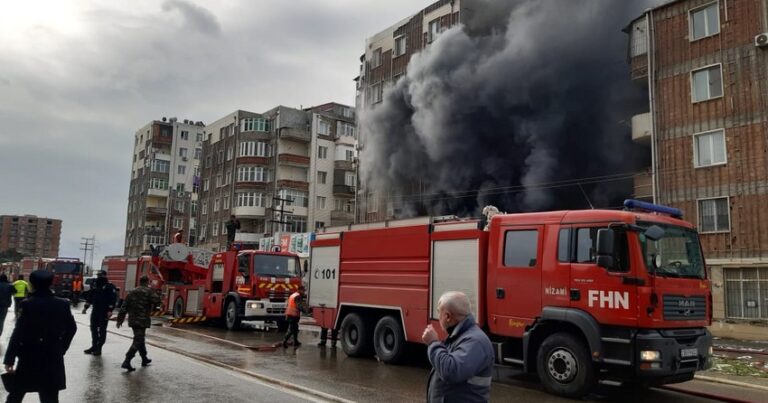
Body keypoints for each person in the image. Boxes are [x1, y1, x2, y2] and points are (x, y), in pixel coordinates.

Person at [3, 270, 77, 403]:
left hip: (29, 356)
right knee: (50, 396)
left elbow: (18, 333)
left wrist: (10, 359)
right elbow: (72, 329)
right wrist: (61, 348)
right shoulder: (63, 304)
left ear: (32, 284)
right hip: (52, 356)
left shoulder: (27, 304)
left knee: (16, 394)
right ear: (50, 283)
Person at [422, 291, 494, 403]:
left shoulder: (476, 341)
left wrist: (433, 343)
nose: (438, 315)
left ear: (447, 317)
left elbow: (451, 371)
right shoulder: (458, 336)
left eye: (438, 311)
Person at [116, 275, 161, 371]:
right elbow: (157, 301)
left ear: (139, 281)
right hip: (142, 320)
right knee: (138, 340)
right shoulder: (149, 291)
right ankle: (127, 360)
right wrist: (154, 291)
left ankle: (144, 358)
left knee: (140, 338)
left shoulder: (132, 292)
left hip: (133, 320)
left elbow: (124, 306)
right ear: (147, 282)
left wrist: (120, 319)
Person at [82, 271, 117, 356]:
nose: (99, 277)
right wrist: (85, 307)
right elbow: (90, 296)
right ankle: (94, 346)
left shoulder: (109, 286)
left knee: (102, 330)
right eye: (98, 276)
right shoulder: (95, 285)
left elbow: (113, 299)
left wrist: (110, 310)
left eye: (100, 276)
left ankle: (99, 348)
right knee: (93, 329)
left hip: (104, 311)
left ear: (105, 276)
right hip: (95, 310)